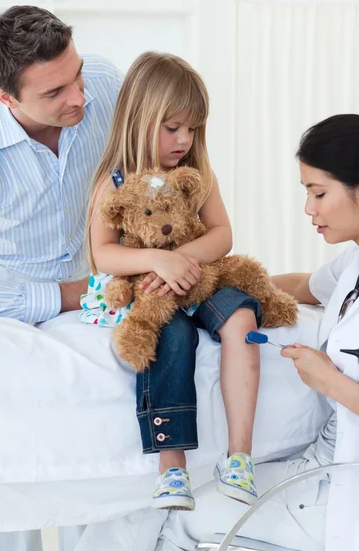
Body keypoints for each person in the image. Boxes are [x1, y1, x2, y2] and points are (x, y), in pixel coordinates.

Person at [155, 113, 359, 551]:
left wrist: (329, 380)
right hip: (318, 466)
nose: (308, 209)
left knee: (178, 523)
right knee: (161, 507)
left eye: (318, 193)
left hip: (351, 489)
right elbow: (300, 285)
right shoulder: (356, 263)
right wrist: (212, 288)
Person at [82, 51, 262, 511]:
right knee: (173, 337)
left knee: (241, 316)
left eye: (193, 129)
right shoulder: (115, 181)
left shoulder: (197, 176)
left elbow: (222, 234)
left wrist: (180, 258)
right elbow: (104, 252)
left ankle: (239, 456)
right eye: (173, 127)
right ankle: (172, 463)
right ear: (141, 119)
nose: (184, 139)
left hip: (199, 277)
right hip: (152, 292)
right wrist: (155, 262)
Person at [0, 5, 122, 550]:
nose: (78, 97)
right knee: (9, 459)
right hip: (9, 305)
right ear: (6, 98)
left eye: (75, 74)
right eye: (55, 92)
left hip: (102, 292)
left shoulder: (106, 83)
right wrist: (65, 296)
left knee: (105, 453)